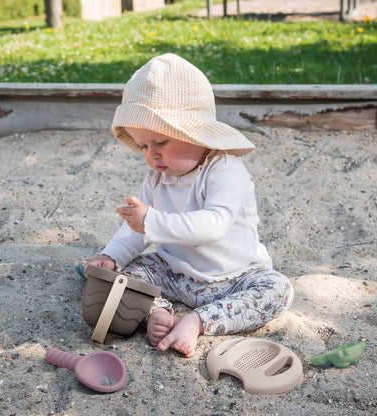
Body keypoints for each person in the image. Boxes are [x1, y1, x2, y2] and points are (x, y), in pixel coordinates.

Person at [84, 53, 294, 358]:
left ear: (196, 133)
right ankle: (159, 311)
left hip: (233, 278)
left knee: (278, 290)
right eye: (143, 145)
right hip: (175, 273)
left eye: (161, 142)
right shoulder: (156, 178)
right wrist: (111, 255)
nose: (151, 155)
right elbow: (135, 229)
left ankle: (198, 321)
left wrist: (152, 222)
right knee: (128, 272)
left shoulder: (224, 169)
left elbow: (214, 225)